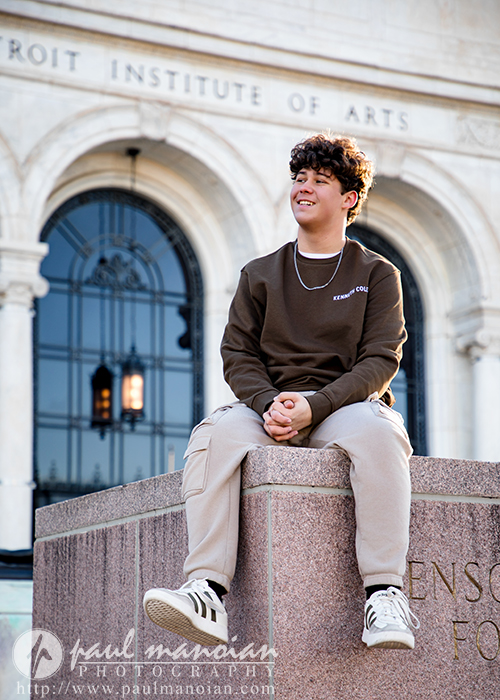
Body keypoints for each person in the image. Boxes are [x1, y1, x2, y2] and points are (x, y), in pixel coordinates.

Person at [143, 133, 420, 650]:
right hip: (269, 407)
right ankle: (205, 591)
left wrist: (314, 406)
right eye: (299, 179)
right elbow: (237, 354)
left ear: (349, 199)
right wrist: (270, 403)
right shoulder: (260, 273)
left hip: (345, 408)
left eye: (320, 181)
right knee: (215, 433)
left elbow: (381, 360)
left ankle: (385, 595)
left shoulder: (378, 274)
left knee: (382, 435)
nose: (304, 189)